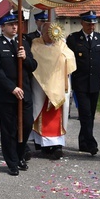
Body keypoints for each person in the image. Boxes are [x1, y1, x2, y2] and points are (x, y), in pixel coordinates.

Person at [0, 10, 38, 176]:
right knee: (9, 129)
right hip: (7, 95)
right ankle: (12, 162)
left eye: (17, 24)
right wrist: (12, 88)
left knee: (26, 125)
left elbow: (33, 66)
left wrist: (25, 58)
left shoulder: (23, 42)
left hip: (25, 93)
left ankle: (20, 154)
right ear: (3, 27)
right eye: (11, 24)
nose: (15, 27)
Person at [66, 10, 100, 155]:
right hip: (80, 83)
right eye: (88, 24)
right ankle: (91, 143)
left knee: (90, 114)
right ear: (82, 23)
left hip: (94, 84)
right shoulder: (73, 39)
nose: (91, 27)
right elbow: (68, 61)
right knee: (85, 113)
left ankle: (83, 142)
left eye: (93, 24)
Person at [29, 22, 77, 160]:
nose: (51, 37)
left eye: (53, 33)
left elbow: (70, 58)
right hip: (41, 86)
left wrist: (63, 57)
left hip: (59, 85)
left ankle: (57, 147)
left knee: (58, 116)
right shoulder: (36, 44)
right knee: (40, 113)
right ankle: (43, 146)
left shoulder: (62, 44)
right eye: (48, 33)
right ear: (42, 33)